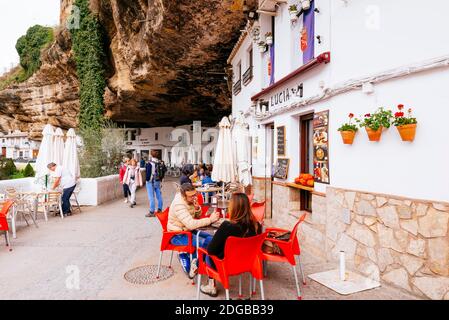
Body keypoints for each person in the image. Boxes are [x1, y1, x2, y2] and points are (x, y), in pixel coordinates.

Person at [197, 193, 262, 297]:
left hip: (225, 265)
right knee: (209, 240)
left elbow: (211, 251)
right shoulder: (256, 225)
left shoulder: (227, 226)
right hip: (247, 263)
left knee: (207, 248)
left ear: (233, 208)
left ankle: (211, 285)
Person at [168, 183, 220, 277]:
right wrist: (210, 220)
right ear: (184, 196)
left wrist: (196, 208)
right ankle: (194, 264)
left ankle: (195, 261)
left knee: (211, 238)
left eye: (195, 194)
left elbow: (197, 216)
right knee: (205, 242)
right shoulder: (179, 204)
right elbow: (191, 224)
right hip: (176, 234)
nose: (194, 197)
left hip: (187, 230)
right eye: (191, 196)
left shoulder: (190, 199)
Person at [145, 150, 166, 217]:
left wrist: (147, 180)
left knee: (151, 197)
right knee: (159, 195)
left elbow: (147, 175)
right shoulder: (161, 162)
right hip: (158, 181)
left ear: (151, 155)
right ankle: (159, 209)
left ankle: (152, 211)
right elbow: (164, 171)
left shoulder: (149, 163)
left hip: (150, 182)